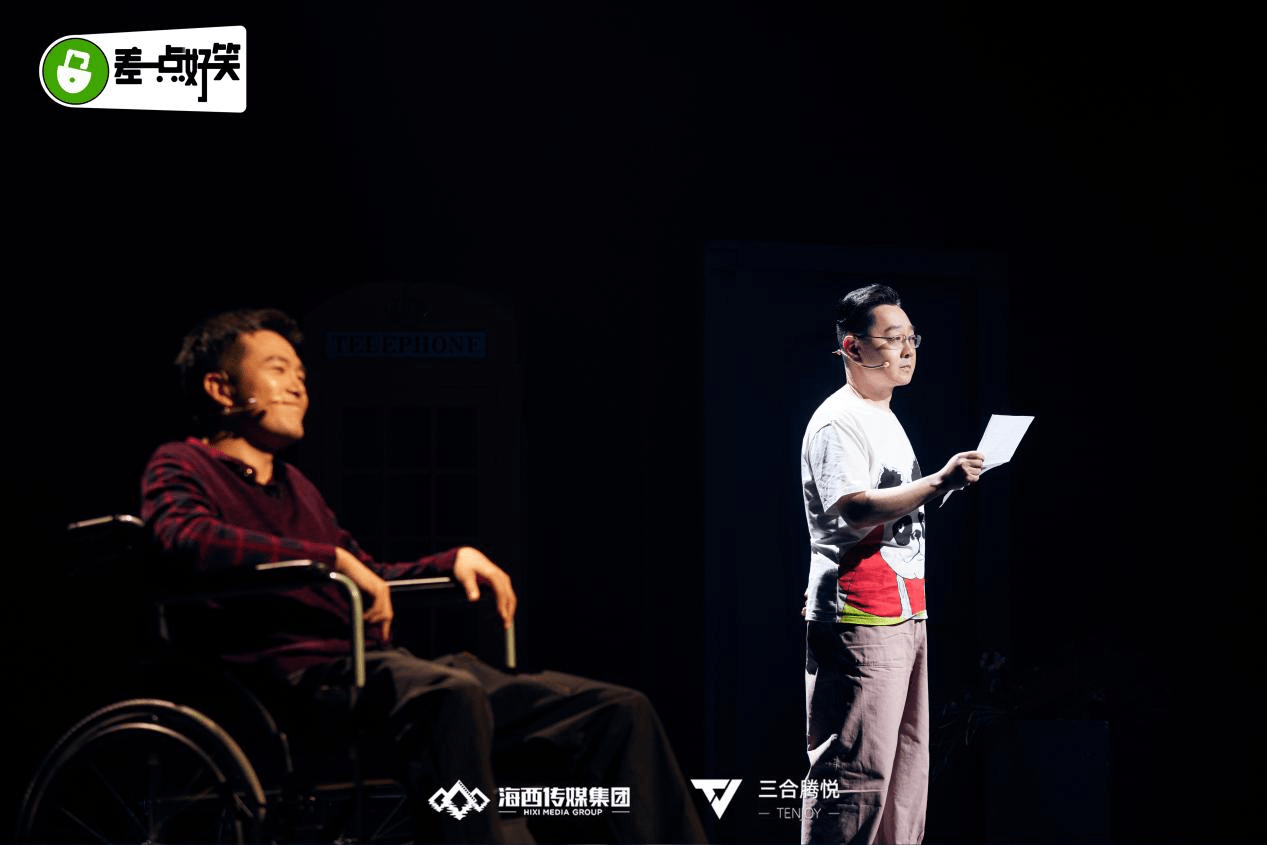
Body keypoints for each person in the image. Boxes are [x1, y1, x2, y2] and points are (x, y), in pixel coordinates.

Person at [140, 307, 707, 845]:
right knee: (448, 695)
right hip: (293, 683)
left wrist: (450, 560)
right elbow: (185, 537)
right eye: (278, 369)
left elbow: (371, 574)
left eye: (302, 375)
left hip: (379, 670)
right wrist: (330, 560)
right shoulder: (181, 463)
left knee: (615, 710)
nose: (298, 387)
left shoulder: (297, 488)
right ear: (221, 389)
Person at [798, 284, 984, 845]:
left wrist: (943, 486)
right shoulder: (838, 421)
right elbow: (853, 508)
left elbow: (892, 502)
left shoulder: (884, 416)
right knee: (854, 773)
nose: (907, 350)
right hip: (861, 609)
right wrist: (938, 481)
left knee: (906, 766)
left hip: (905, 606)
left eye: (911, 338)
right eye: (892, 338)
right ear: (853, 347)